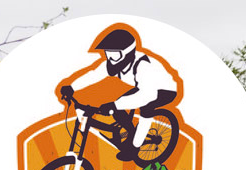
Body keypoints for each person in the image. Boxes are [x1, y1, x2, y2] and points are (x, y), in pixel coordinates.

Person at [59, 26, 180, 161]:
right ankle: (132, 131)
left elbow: (147, 94)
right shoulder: (112, 63)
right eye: (108, 53)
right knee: (117, 106)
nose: (111, 58)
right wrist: (71, 87)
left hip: (163, 89)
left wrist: (115, 105)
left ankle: (135, 146)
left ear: (128, 52)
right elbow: (93, 75)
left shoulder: (143, 65)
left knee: (146, 107)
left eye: (115, 54)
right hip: (141, 86)